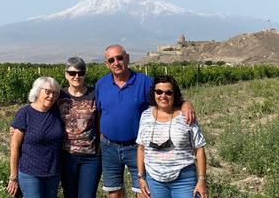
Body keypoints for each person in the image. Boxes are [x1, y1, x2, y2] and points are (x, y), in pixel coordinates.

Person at [96, 45, 196, 198]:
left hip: (138, 147)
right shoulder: (101, 84)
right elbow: (99, 113)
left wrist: (184, 103)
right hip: (109, 147)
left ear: (127, 58)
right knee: (114, 193)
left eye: (119, 58)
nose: (116, 62)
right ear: (106, 63)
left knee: (143, 192)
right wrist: (102, 136)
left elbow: (164, 98)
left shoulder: (144, 81)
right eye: (111, 60)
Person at [136, 75, 208, 198]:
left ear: (175, 95)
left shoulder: (187, 116)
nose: (163, 96)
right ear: (153, 93)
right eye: (159, 92)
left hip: (184, 180)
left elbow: (199, 149)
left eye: (168, 92)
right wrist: (141, 177)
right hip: (155, 180)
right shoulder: (146, 116)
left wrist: (201, 180)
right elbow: (141, 148)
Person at [6, 77, 64, 198]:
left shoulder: (58, 112)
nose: (51, 96)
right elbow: (14, 146)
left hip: (53, 172)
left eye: (55, 93)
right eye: (47, 91)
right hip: (30, 172)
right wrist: (13, 176)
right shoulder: (25, 113)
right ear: (37, 91)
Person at [58, 57, 102, 198]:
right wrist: (20, 127)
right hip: (67, 156)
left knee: (87, 195)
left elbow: (103, 120)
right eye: (72, 73)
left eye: (80, 73)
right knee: (70, 194)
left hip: (92, 157)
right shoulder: (59, 95)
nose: (76, 76)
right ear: (66, 75)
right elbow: (41, 112)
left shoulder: (94, 95)